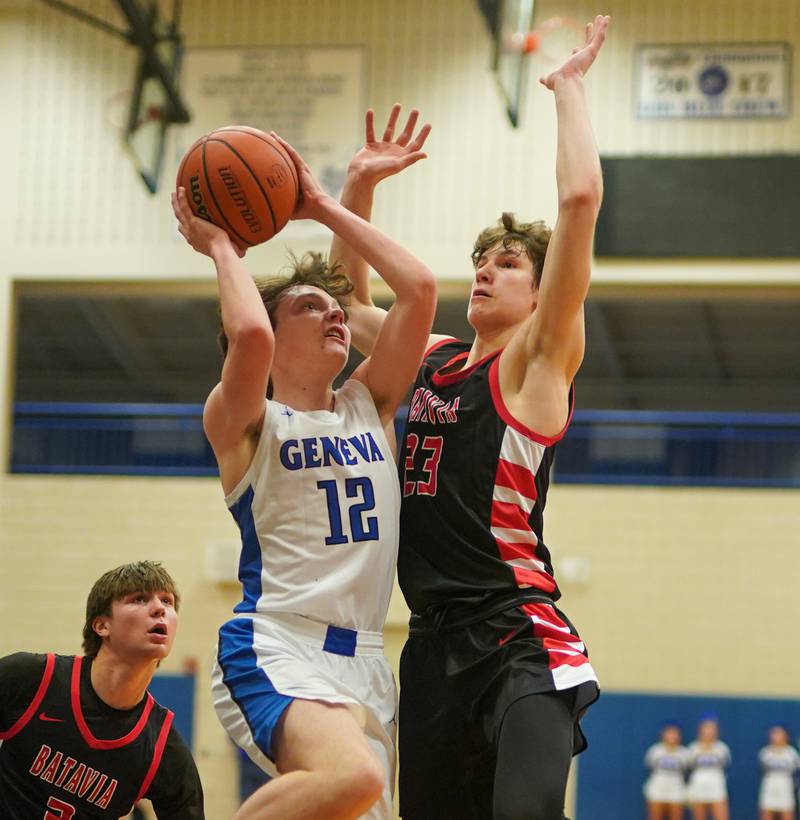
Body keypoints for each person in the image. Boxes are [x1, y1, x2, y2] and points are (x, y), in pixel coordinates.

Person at [330, 14, 609, 820]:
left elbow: (582, 196)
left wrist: (567, 89)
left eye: (509, 263)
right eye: (480, 261)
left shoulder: (536, 362)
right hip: (426, 641)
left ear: (540, 289)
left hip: (517, 636)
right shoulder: (439, 356)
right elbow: (351, 307)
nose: (486, 271)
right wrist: (358, 188)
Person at [172, 132, 436, 820]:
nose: (336, 313)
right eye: (310, 306)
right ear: (268, 327)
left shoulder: (367, 405)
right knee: (351, 778)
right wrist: (223, 248)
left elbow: (420, 289)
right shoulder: (244, 422)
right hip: (278, 640)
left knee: (354, 799)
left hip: (370, 660)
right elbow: (251, 339)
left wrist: (323, 202)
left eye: (337, 305)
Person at [0, 561, 204, 818]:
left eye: (167, 601)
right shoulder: (32, 678)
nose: (159, 609)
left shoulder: (162, 747)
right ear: (101, 626)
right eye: (140, 599)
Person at [686, 716, 731, 820]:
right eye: (706, 727)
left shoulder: (722, 749)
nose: (709, 731)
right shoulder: (692, 748)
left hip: (717, 787)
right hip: (698, 788)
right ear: (700, 729)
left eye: (712, 728)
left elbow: (727, 768)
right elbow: (688, 769)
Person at [643, 723, 691, 820]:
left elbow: (688, 768)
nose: (672, 736)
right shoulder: (655, 751)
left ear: (679, 736)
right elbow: (650, 765)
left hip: (676, 788)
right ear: (663, 735)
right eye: (669, 733)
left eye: (675, 733)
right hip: (657, 787)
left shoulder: (684, 753)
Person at [758, 724, 799, 820]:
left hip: (786, 789)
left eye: (778, 733)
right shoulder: (765, 753)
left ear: (785, 736)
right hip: (769, 789)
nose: (775, 736)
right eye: (773, 733)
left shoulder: (792, 753)